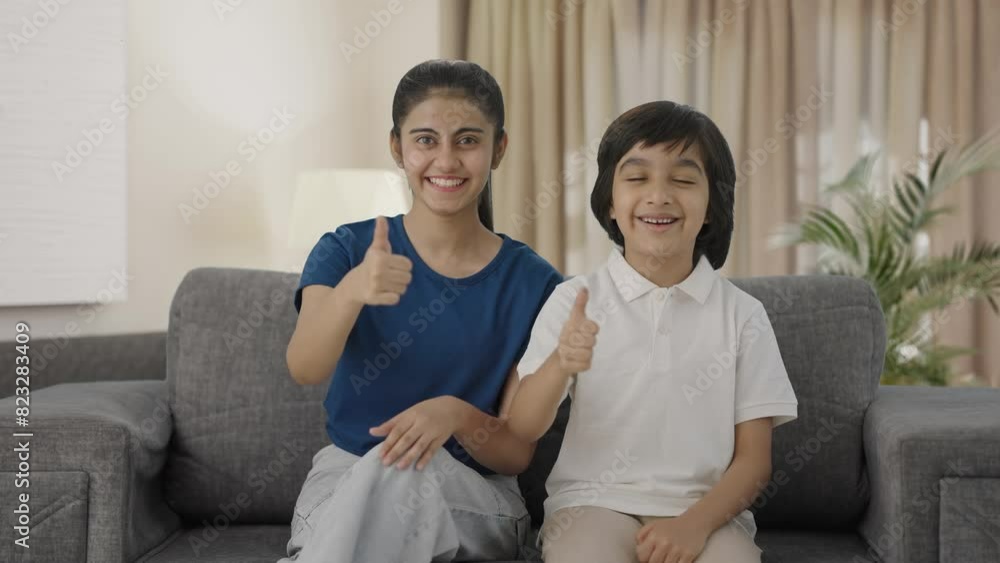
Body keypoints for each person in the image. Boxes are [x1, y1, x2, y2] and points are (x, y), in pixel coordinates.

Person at [280, 59, 562, 563]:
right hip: (346, 474)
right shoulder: (345, 251)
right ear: (398, 148)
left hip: (473, 490)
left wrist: (452, 414)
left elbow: (517, 452)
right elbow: (305, 367)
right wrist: (350, 292)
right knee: (383, 474)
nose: (446, 160)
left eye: (468, 140)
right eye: (426, 140)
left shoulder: (536, 284)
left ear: (499, 148)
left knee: (395, 477)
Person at [507, 101, 798, 563]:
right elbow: (522, 426)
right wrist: (561, 362)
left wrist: (694, 525)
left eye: (682, 180)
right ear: (609, 201)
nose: (659, 195)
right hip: (592, 505)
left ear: (711, 206)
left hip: (707, 513)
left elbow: (754, 461)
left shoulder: (744, 315)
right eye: (637, 177)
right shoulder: (573, 300)